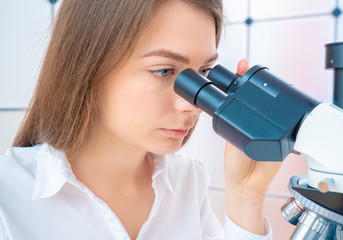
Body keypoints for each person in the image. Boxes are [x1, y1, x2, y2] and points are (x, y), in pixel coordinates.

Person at [0, 0, 282, 239]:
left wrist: (246, 195)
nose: (193, 106)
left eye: (204, 73)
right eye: (163, 71)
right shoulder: (8, 198)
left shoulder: (187, 181)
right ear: (88, 63)